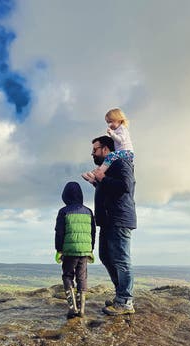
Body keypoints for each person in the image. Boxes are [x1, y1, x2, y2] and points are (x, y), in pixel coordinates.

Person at [90, 135, 137, 315]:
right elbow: (112, 190)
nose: (92, 153)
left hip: (119, 219)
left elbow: (126, 186)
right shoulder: (109, 167)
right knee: (105, 256)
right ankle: (121, 295)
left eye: (95, 149)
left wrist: (102, 178)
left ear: (105, 149)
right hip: (109, 220)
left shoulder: (121, 162)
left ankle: (125, 301)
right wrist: (96, 182)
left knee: (121, 260)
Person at [54, 181, 96, 318]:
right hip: (84, 251)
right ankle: (82, 309)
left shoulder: (64, 211)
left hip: (69, 251)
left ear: (65, 196)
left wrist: (59, 249)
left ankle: (73, 308)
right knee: (82, 277)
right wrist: (91, 249)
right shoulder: (89, 211)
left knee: (67, 275)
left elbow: (59, 232)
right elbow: (93, 232)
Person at [82, 108, 134, 184]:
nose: (109, 125)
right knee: (109, 161)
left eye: (110, 122)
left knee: (111, 156)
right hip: (121, 153)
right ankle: (95, 176)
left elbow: (121, 140)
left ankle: (97, 173)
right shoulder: (117, 130)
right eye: (107, 122)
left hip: (127, 153)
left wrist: (112, 134)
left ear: (119, 120)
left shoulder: (122, 129)